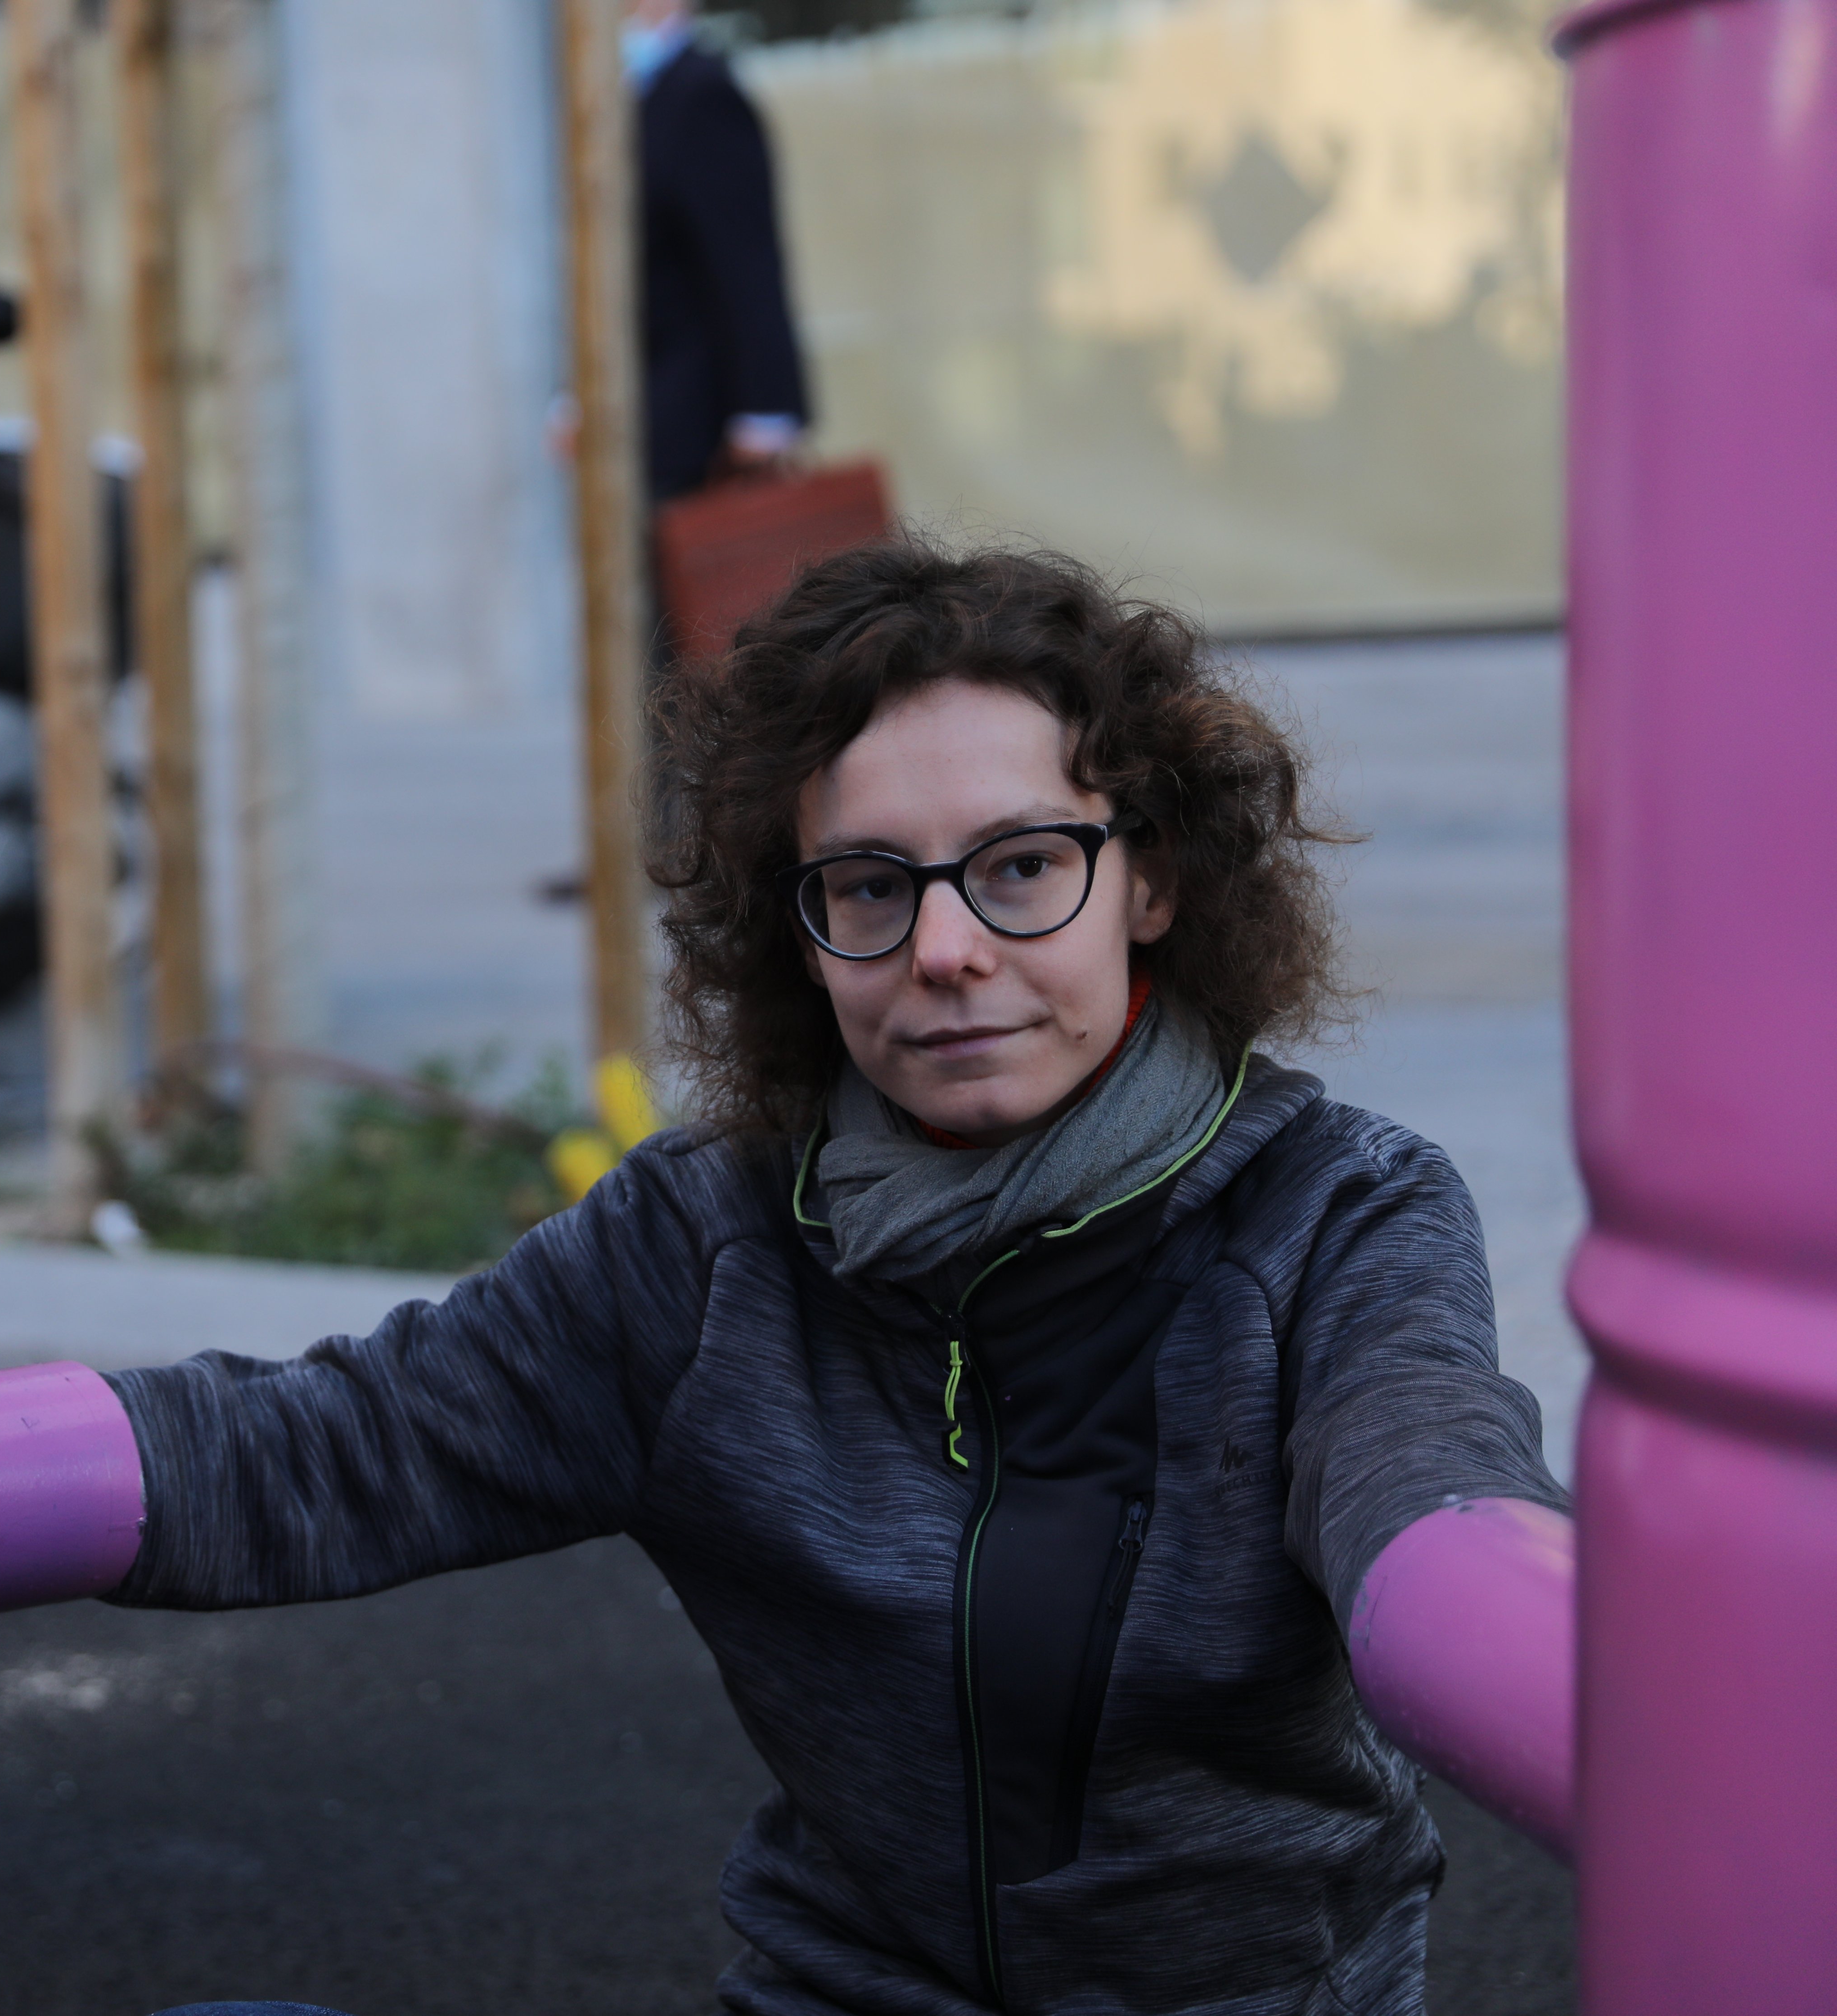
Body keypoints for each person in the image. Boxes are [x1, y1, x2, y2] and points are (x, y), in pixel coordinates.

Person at [109, 537, 1566, 2015]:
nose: (942, 949)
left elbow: (1429, 1470)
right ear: (800, 931)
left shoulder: (1335, 1217)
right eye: (869, 886)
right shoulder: (707, 1247)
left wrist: (1534, 1645)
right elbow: (325, 1445)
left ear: (1154, 881)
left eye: (1020, 868)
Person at [630, 0, 812, 501]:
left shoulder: (699, 93)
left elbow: (744, 261)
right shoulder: (631, 96)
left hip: (698, 434)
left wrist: (765, 412)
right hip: (651, 421)